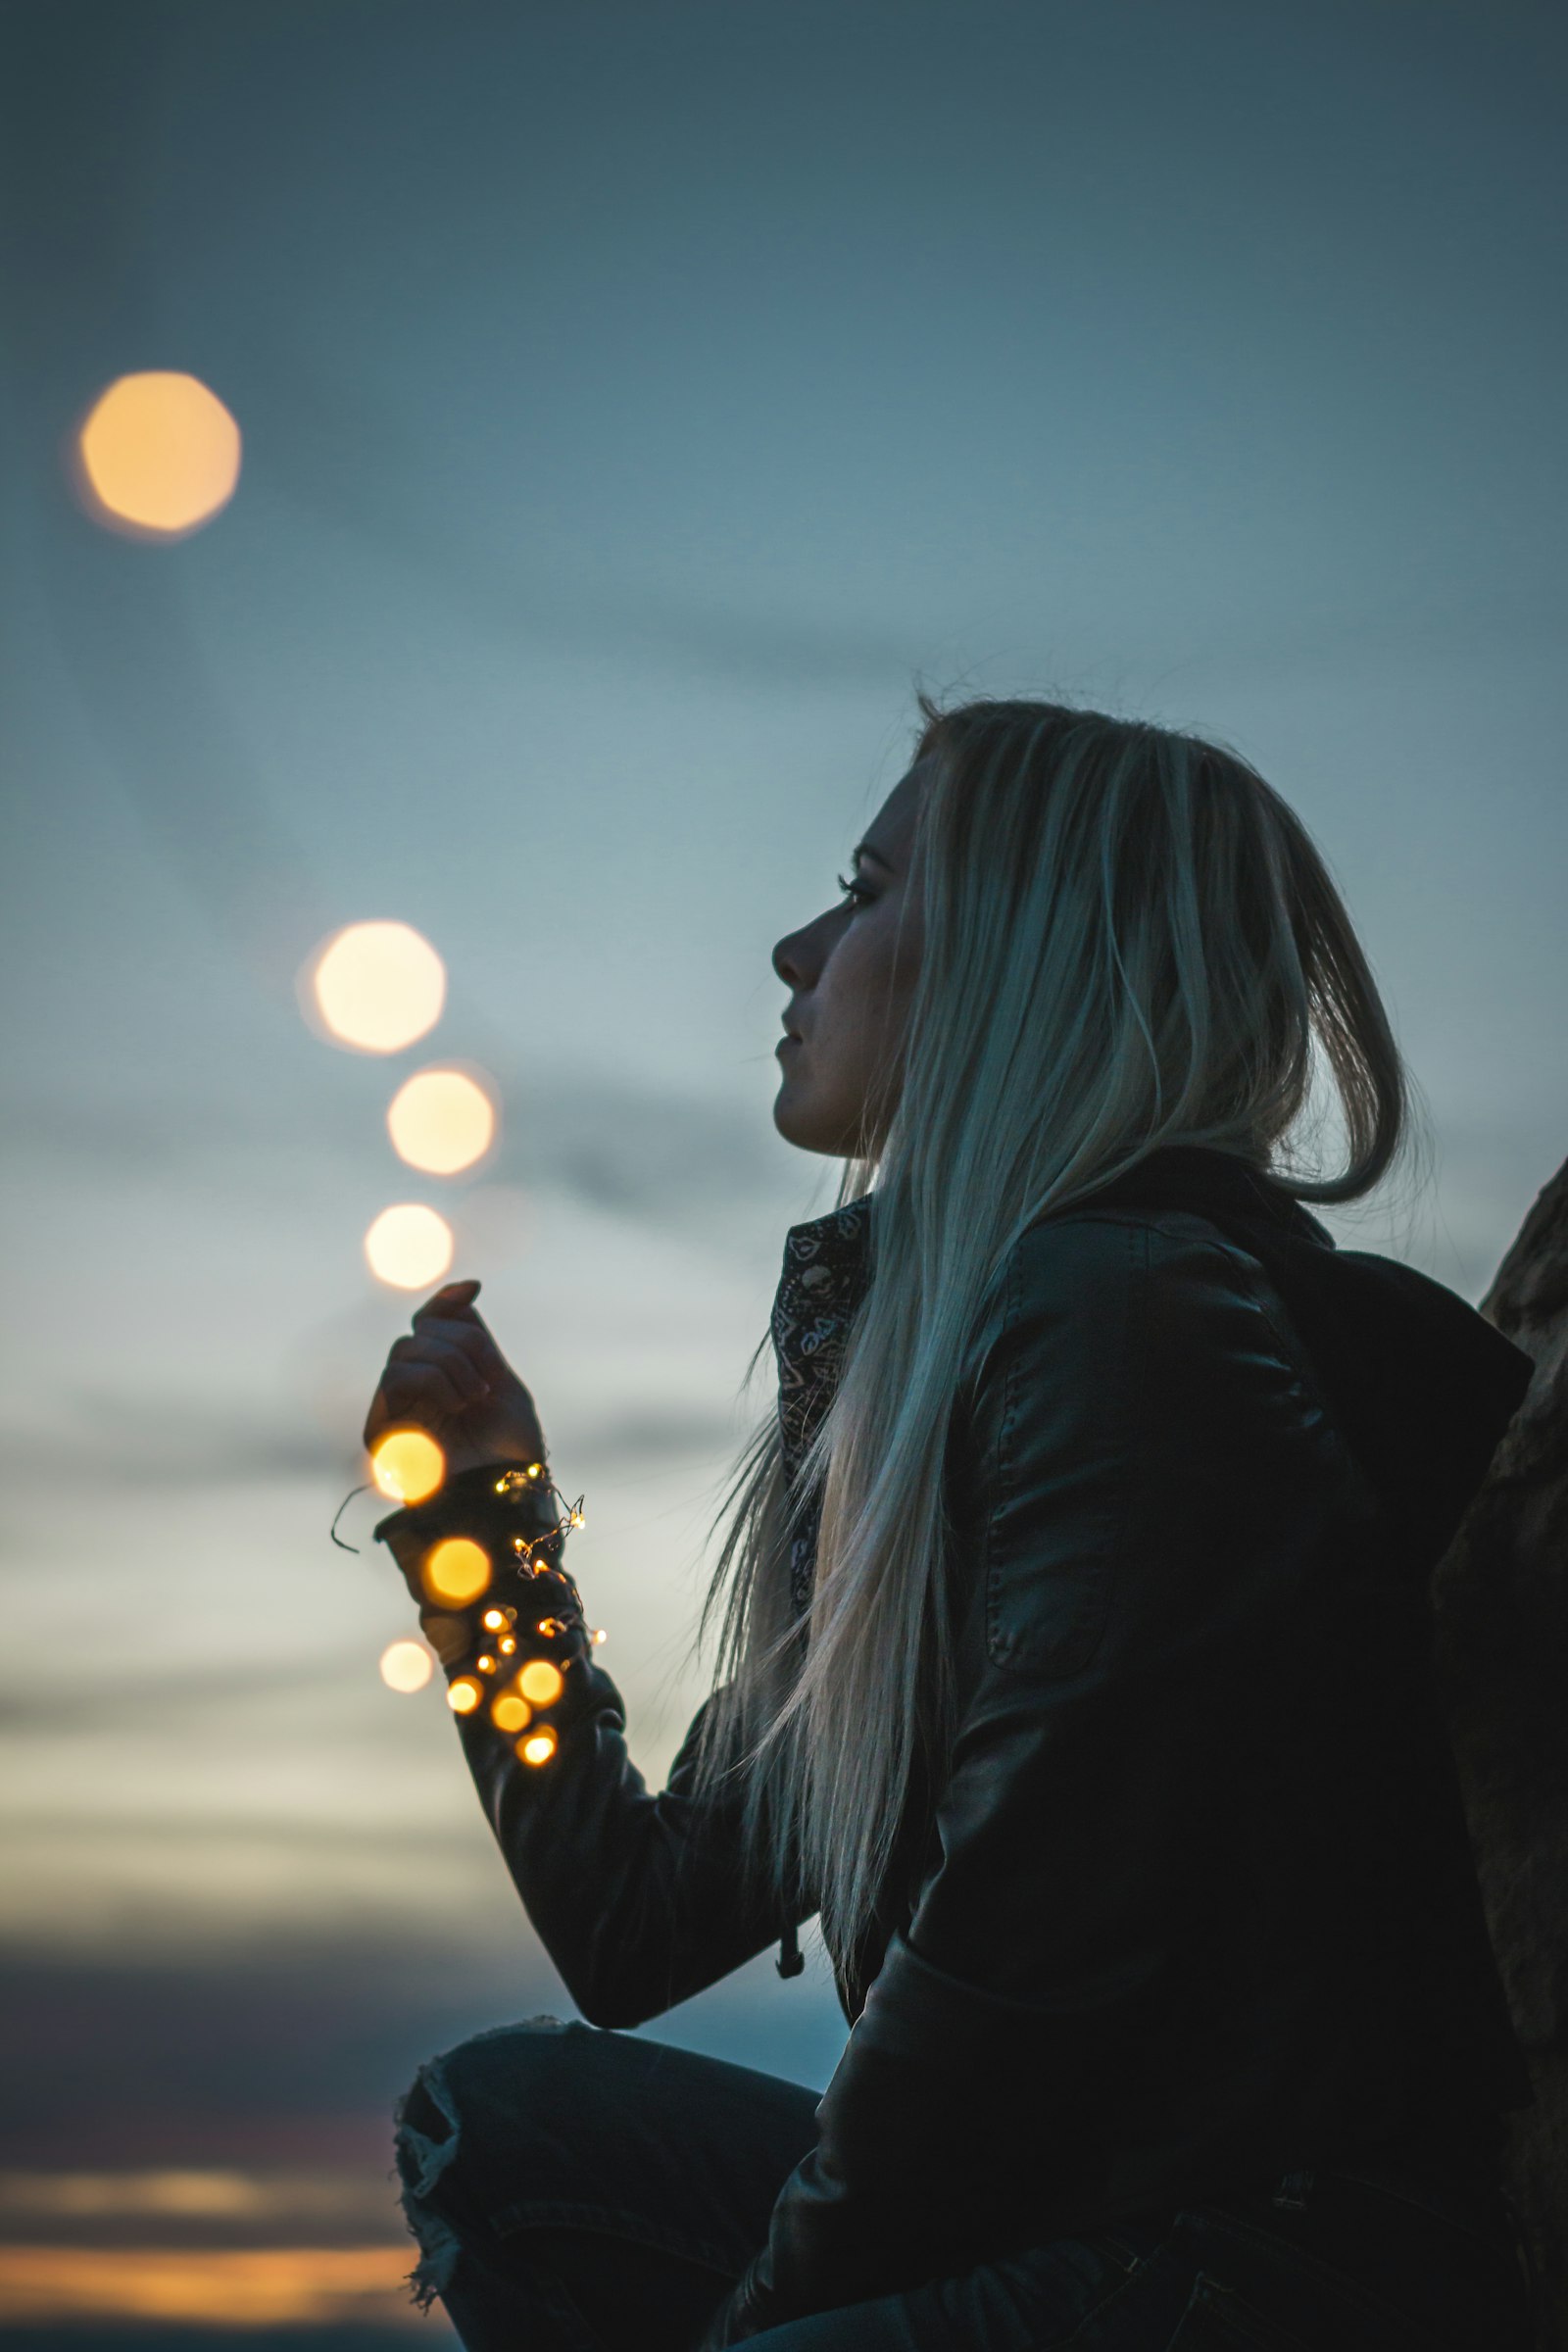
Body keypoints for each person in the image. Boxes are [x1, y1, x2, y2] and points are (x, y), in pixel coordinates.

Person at [364, 694, 1540, 2350]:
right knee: (499, 2132)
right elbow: (636, 1923)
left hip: (1256, 2256)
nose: (795, 947)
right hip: (1078, 2203)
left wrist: (764, 2319)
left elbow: (1021, 1973)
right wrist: (478, 1529)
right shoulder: (936, 1374)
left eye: (861, 888)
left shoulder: (1129, 1318)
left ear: (1022, 951)